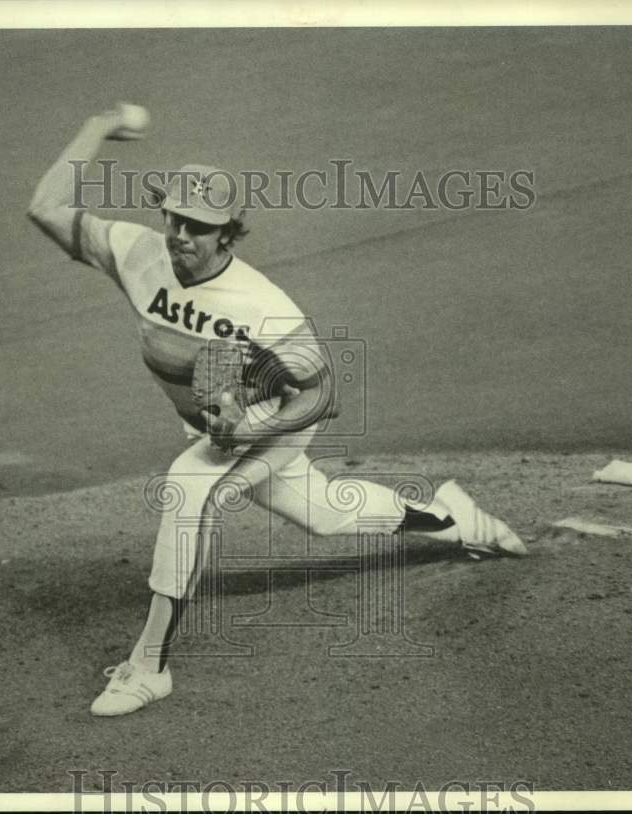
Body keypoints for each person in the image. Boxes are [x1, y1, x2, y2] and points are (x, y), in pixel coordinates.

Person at [27, 103, 527, 718]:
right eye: (176, 218)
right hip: (225, 421)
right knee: (324, 514)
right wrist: (100, 126)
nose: (182, 234)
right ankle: (457, 522)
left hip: (277, 417)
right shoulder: (135, 253)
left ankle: (147, 666)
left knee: (190, 485)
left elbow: (321, 394)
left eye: (199, 226)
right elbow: (45, 209)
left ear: (227, 233)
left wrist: (247, 429)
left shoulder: (263, 306)